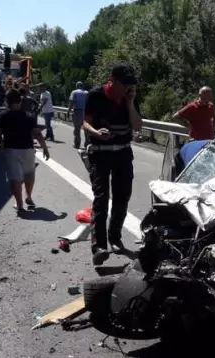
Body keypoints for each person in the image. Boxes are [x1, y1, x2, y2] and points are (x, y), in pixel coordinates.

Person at [83, 63, 142, 265]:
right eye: (124, 84)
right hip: (100, 153)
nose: (127, 88)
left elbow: (137, 126)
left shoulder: (128, 98)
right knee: (101, 198)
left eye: (130, 85)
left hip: (123, 153)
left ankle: (114, 237)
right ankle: (99, 246)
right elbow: (86, 122)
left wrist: (130, 104)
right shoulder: (96, 95)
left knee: (122, 197)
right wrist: (95, 132)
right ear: (113, 80)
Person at [0, 88, 50, 213]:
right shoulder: (28, 116)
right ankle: (28, 196)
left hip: (11, 150)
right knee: (29, 173)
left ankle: (19, 205)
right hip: (27, 149)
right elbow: (37, 134)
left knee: (15, 177)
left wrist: (2, 147)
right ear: (20, 101)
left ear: (6, 101)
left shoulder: (2, 116)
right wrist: (45, 149)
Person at [67, 81, 90, 149]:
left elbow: (71, 103)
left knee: (77, 129)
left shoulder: (74, 92)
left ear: (77, 86)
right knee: (86, 129)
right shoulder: (87, 93)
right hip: (86, 113)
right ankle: (87, 144)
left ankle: (77, 144)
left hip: (77, 112)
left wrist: (68, 112)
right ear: (82, 86)